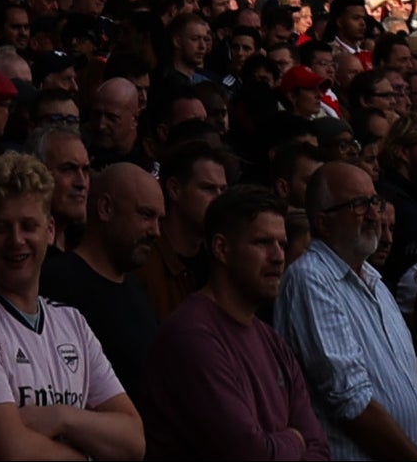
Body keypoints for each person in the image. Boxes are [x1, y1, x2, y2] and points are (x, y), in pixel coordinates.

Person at [129, 180, 321, 462]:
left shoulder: (272, 342)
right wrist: (294, 440)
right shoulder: (192, 337)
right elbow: (249, 454)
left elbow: (318, 446)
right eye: (262, 243)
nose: (279, 256)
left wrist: (283, 444)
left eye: (282, 243)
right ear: (221, 248)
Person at [285, 162, 417, 462]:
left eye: (375, 202)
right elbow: (351, 402)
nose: (374, 215)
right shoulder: (311, 278)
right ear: (324, 223)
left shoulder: (376, 282)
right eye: (358, 204)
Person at [44, 153, 165, 390]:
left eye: (160, 220)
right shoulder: (55, 285)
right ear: (106, 208)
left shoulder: (137, 290)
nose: (156, 232)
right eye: (146, 215)